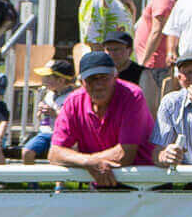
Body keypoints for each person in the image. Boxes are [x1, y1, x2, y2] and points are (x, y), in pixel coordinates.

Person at [48, 46, 159, 187]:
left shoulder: (132, 95)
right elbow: (55, 153)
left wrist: (87, 161)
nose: (98, 85)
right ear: (81, 82)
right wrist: (88, 162)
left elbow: (125, 155)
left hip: (145, 183)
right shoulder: (73, 101)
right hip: (103, 180)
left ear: (115, 76)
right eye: (91, 79)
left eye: (104, 78)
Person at [134, 0, 177, 100]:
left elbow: (157, 32)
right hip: (152, 66)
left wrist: (142, 63)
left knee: (151, 110)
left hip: (154, 67)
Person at [19, 56, 75, 163]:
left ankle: (59, 180)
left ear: (60, 80)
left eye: (47, 77)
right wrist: (40, 112)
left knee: (54, 157)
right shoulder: (49, 94)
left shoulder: (72, 97)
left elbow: (72, 118)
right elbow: (40, 117)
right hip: (46, 132)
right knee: (26, 152)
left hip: (62, 134)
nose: (43, 80)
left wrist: (55, 113)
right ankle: (32, 179)